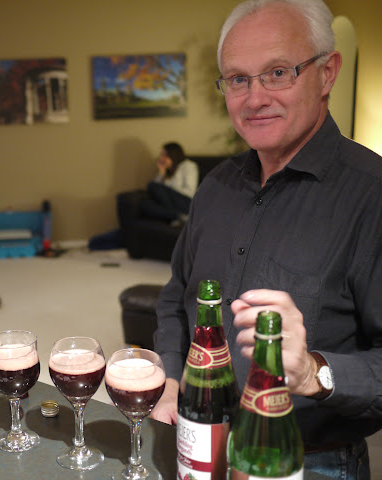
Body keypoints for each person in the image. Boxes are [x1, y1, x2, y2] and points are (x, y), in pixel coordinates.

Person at [151, 1, 381, 478]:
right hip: (197, 439)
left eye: (278, 73)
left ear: (327, 73)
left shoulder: (372, 195)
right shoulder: (214, 188)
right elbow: (177, 296)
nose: (254, 98)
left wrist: (313, 372)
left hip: (308, 461)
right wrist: (171, 376)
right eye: (238, 79)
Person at [140, 142, 199, 223]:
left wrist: (167, 186)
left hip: (186, 202)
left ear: (173, 155)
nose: (162, 158)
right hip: (172, 204)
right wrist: (161, 173)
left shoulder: (188, 165)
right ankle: (177, 216)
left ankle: (175, 215)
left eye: (165, 155)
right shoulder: (167, 171)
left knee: (151, 185)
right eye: (161, 155)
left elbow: (190, 192)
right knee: (143, 204)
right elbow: (155, 192)